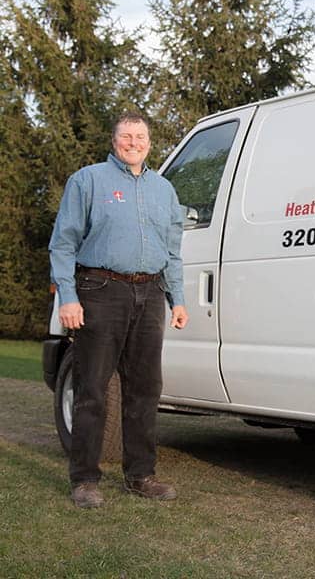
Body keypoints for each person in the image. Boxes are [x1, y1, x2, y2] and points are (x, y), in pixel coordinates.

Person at [49, 112, 189, 508]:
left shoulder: (164, 190)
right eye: (126, 136)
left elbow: (173, 252)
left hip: (150, 295)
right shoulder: (88, 180)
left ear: (149, 142)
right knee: (92, 388)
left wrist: (177, 299)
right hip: (99, 290)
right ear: (114, 141)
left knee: (146, 389)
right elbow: (62, 243)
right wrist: (68, 296)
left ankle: (141, 475)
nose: (133, 142)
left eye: (140, 136)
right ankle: (85, 479)